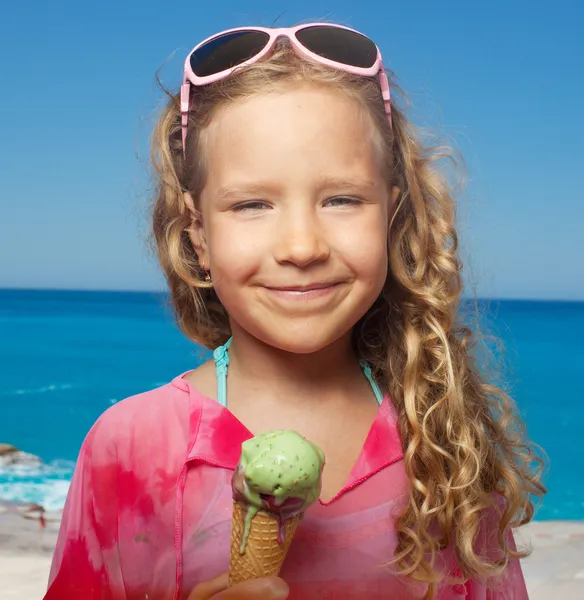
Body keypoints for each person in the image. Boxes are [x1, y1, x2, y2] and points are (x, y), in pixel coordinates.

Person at [43, 23, 546, 600]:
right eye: (252, 204)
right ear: (198, 234)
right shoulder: (129, 448)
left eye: (342, 199)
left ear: (392, 215)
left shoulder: (445, 444)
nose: (302, 246)